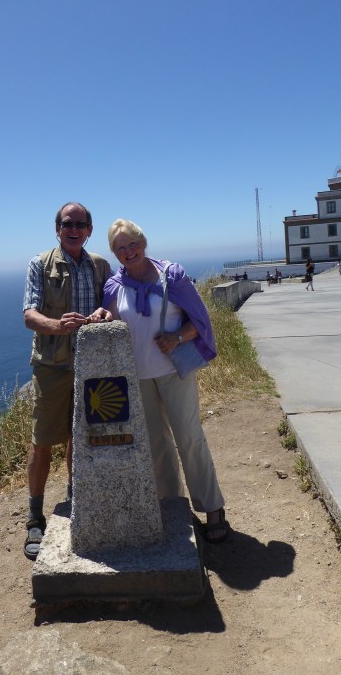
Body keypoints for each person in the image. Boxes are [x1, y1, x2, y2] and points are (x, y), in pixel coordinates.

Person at [103, 218, 227, 543]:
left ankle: (212, 507)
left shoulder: (172, 276)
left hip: (174, 372)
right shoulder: (114, 287)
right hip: (138, 378)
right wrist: (99, 316)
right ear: (114, 253)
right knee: (156, 446)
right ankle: (175, 509)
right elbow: (108, 321)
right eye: (120, 247)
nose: (128, 251)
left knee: (189, 438)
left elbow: (200, 320)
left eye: (132, 244)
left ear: (143, 243)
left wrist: (177, 337)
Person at [22, 202, 112, 559]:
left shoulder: (101, 266)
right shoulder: (40, 265)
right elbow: (29, 315)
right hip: (53, 364)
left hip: (91, 363)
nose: (74, 229)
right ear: (57, 229)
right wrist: (58, 326)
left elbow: (114, 303)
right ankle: (34, 516)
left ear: (89, 229)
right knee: (42, 440)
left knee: (80, 435)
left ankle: (77, 497)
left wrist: (107, 311)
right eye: (67, 223)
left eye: (81, 224)